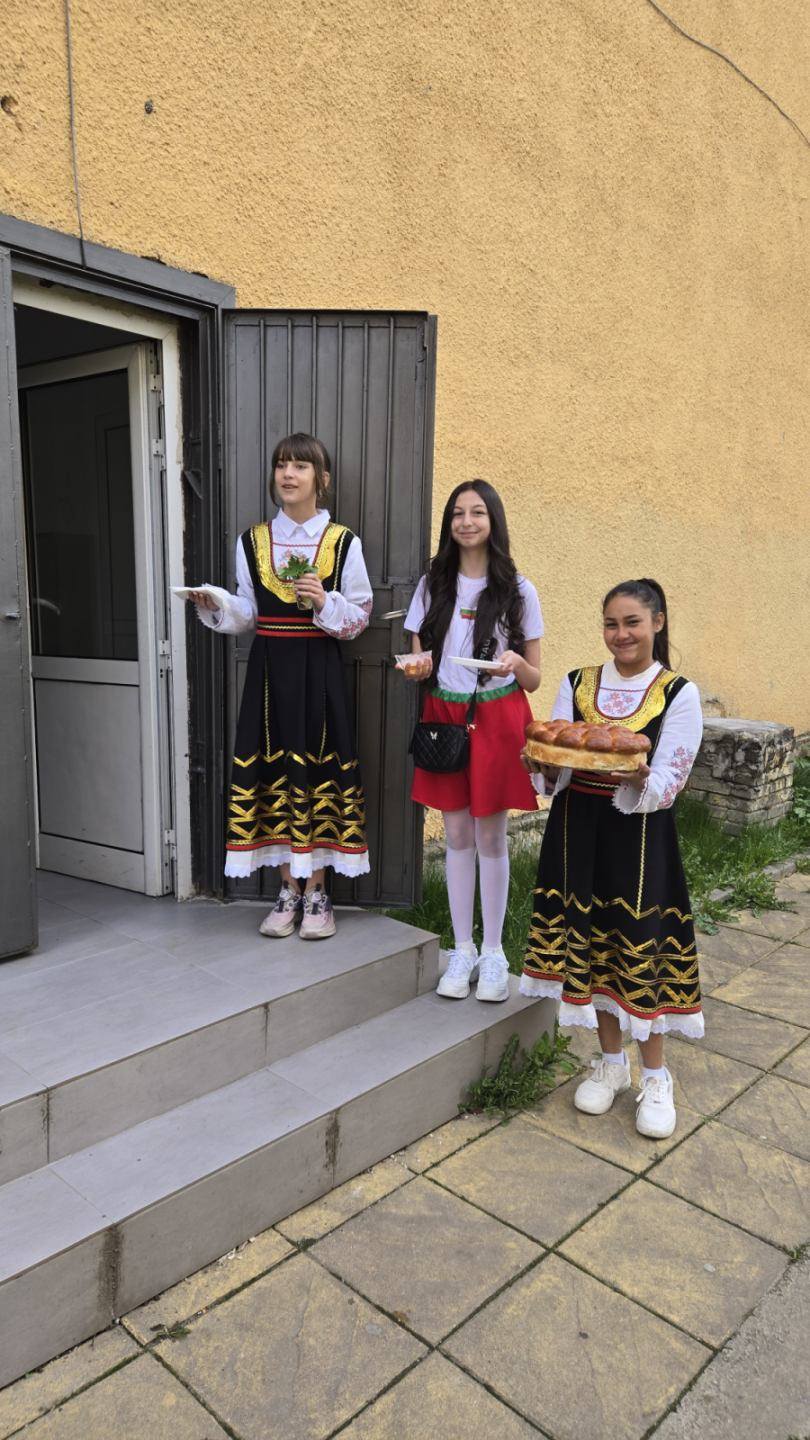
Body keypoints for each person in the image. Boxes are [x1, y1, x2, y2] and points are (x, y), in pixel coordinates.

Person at [519, 579, 703, 1138]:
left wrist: (642, 775)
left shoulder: (678, 693)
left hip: (640, 839)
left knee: (639, 944)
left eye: (632, 622)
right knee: (592, 943)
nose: (621, 635)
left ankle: (656, 1076)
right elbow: (559, 754)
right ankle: (611, 1063)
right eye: (611, 624)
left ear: (658, 623)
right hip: (577, 830)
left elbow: (671, 780)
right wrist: (544, 767)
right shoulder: (578, 682)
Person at [186, 433, 372, 939]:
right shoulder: (251, 541)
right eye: (282, 465)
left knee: (317, 768)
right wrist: (219, 605)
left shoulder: (343, 542)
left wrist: (324, 601)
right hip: (269, 672)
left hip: (320, 670)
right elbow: (249, 612)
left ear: (321, 478)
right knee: (274, 771)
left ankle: (317, 892)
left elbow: (359, 616)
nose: (288, 474)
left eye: (300, 466)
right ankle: (288, 888)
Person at [401, 479, 543, 1002]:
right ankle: (462, 950)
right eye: (458, 513)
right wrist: (417, 668)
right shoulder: (432, 585)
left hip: (499, 715)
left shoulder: (519, 590)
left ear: (493, 520)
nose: (466, 521)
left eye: (477, 512)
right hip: (444, 716)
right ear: (449, 524)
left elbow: (534, 679)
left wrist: (516, 662)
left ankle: (495, 953)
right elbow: (421, 660)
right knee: (457, 834)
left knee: (491, 837)